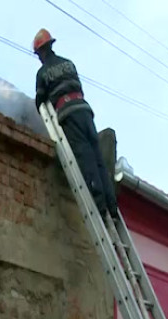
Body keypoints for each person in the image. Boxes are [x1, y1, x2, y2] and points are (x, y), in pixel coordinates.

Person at [33, 28, 118, 219]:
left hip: (69, 114)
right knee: (98, 160)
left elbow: (40, 101)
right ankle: (112, 206)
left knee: (85, 158)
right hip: (85, 111)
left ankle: (100, 207)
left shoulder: (43, 72)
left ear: (41, 52)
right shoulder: (69, 64)